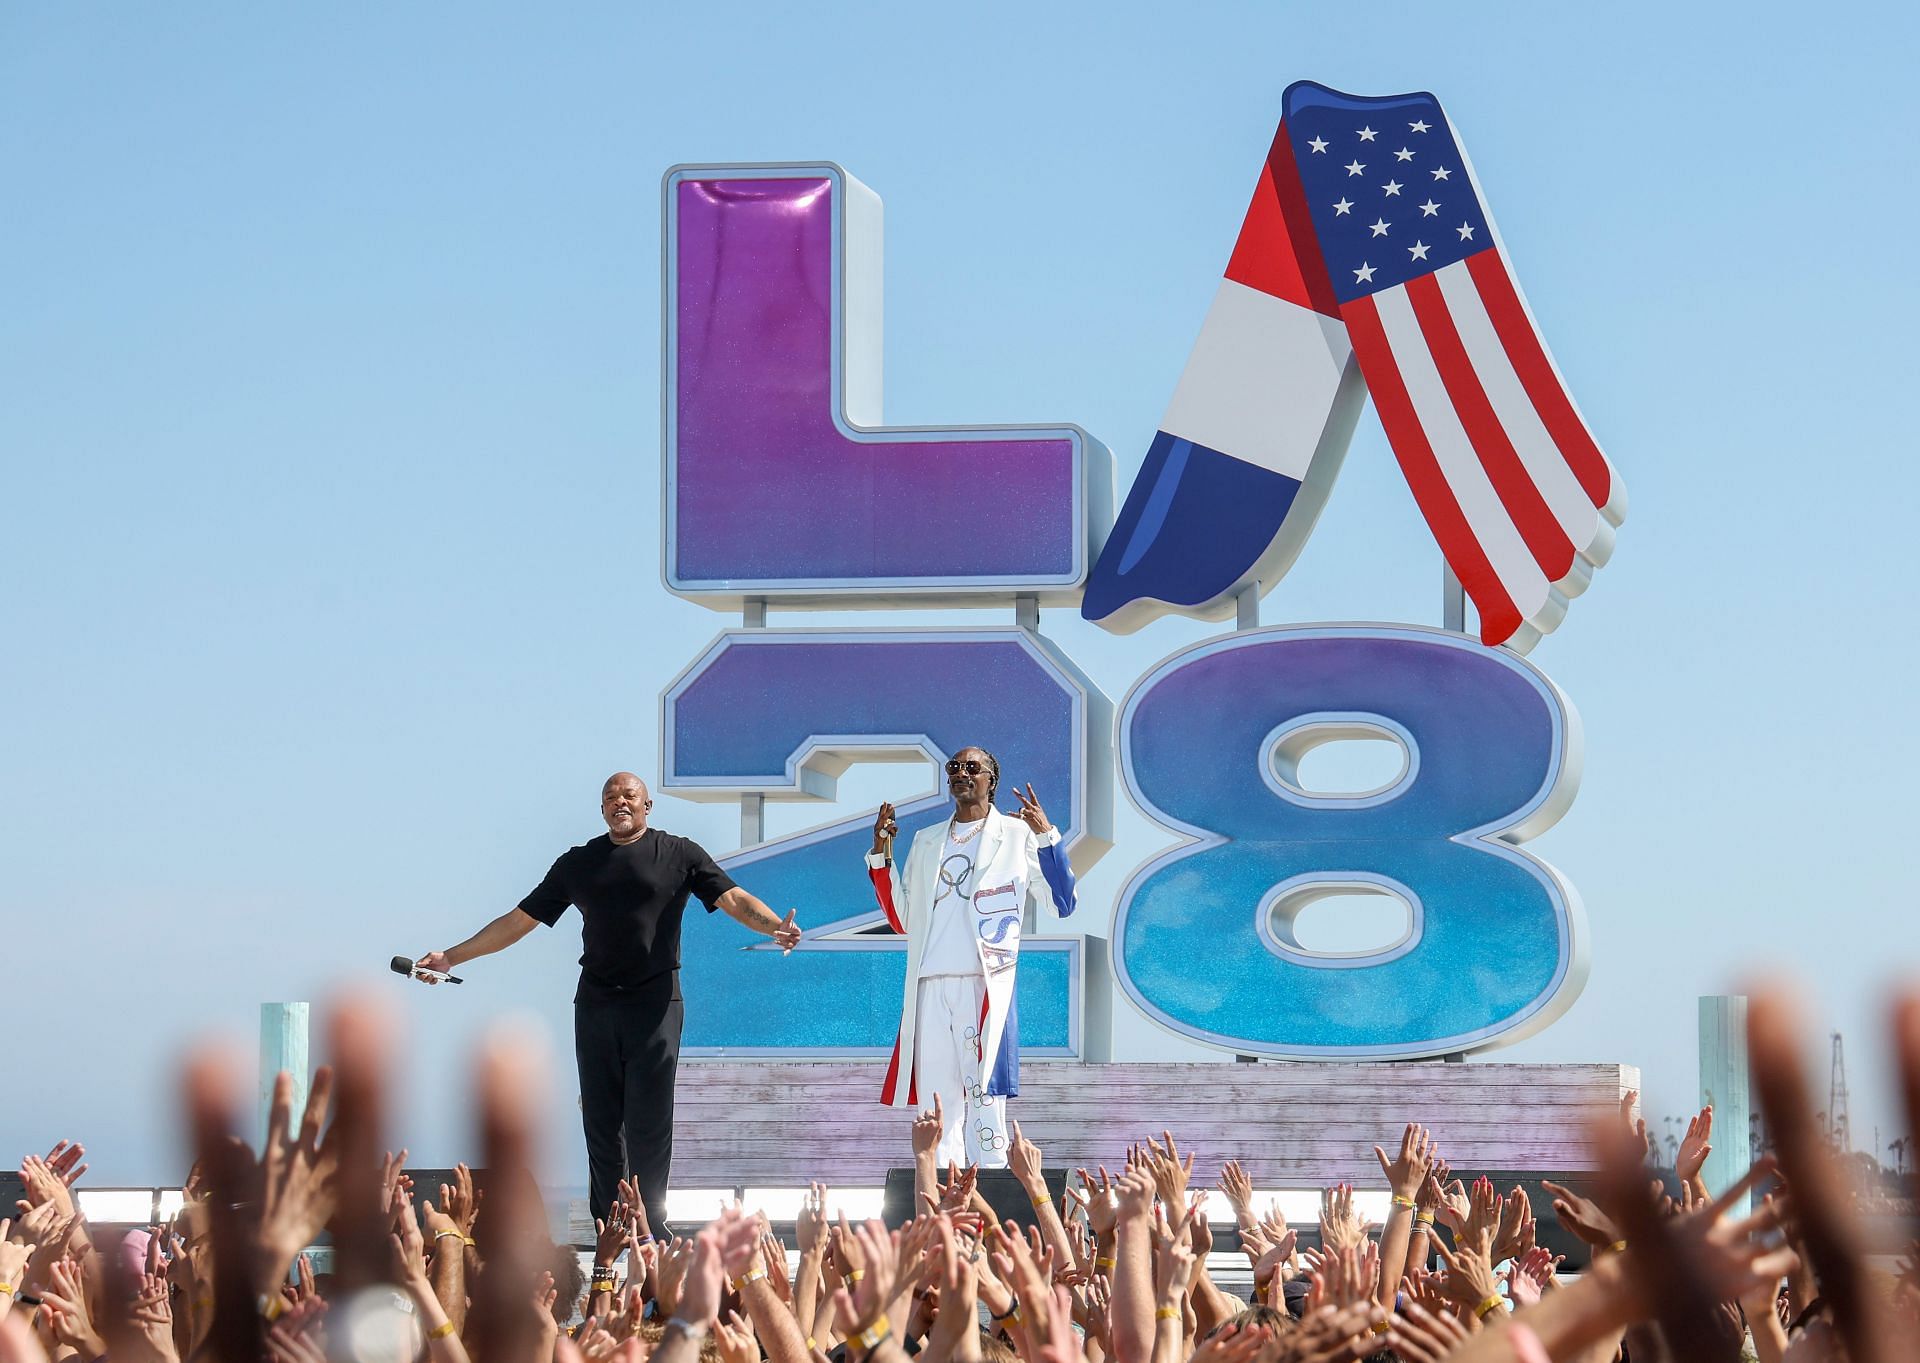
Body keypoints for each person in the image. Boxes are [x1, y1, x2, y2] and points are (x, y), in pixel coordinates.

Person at [411, 771, 801, 1231]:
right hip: (596, 1003)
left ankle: (651, 1223)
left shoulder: (679, 853)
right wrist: (451, 957)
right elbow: (518, 921)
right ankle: (609, 1225)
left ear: (646, 806)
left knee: (648, 1121)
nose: (620, 802)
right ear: (601, 809)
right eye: (610, 797)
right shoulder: (579, 863)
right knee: (601, 1120)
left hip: (656, 1003)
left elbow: (732, 898)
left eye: (629, 795)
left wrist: (774, 926)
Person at [865, 746, 1076, 1167]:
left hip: (982, 983)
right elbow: (903, 918)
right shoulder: (927, 841)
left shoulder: (1016, 836)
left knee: (984, 1102)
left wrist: (1047, 836)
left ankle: (992, 1199)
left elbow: (1062, 902)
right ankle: (940, 1204)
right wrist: (882, 855)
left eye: (972, 768)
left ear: (990, 780)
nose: (961, 773)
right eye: (954, 768)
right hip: (928, 984)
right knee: (936, 1103)